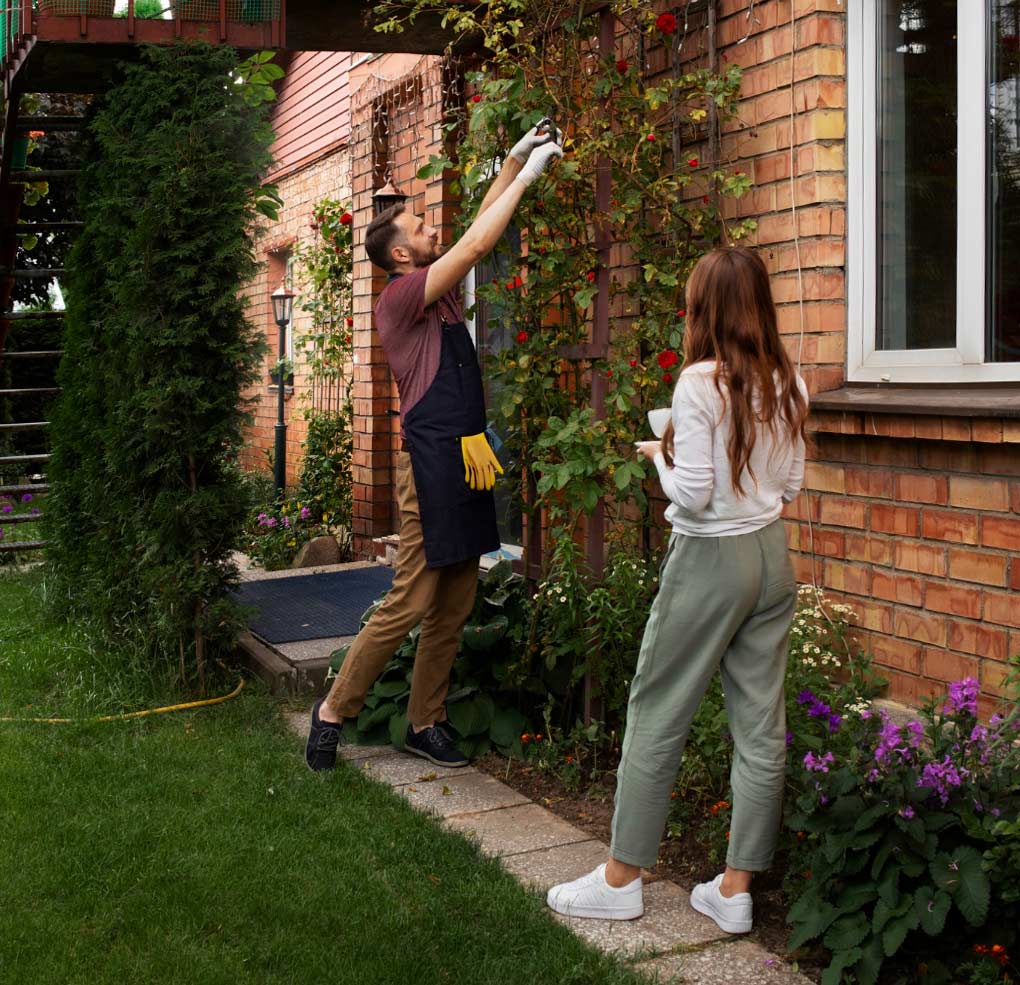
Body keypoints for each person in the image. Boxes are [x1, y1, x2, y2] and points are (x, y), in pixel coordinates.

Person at [546, 246, 809, 934]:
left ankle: (621, 878)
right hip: (771, 559)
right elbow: (789, 487)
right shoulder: (789, 380)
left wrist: (662, 453)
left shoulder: (699, 384)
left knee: (657, 708)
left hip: (710, 561)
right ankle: (734, 888)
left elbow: (692, 496)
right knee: (760, 727)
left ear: (703, 310)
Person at [305, 124, 563, 772]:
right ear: (398, 257)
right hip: (427, 465)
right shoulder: (401, 300)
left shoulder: (439, 291)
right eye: (419, 227)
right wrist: (530, 178)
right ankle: (334, 708)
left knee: (456, 596)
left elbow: (474, 225)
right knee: (415, 596)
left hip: (467, 455)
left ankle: (427, 720)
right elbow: (479, 241)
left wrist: (513, 158)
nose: (429, 231)